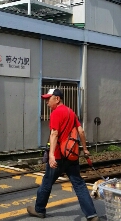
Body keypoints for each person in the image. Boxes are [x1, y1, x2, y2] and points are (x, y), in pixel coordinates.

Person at [27, 88, 99, 221]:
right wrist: (85, 149)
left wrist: (51, 156)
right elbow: (81, 131)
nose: (47, 102)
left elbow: (54, 134)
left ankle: (39, 210)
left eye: (49, 99)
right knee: (79, 184)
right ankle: (92, 215)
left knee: (47, 183)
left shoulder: (56, 113)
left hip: (59, 156)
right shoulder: (71, 112)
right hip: (71, 156)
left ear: (57, 99)